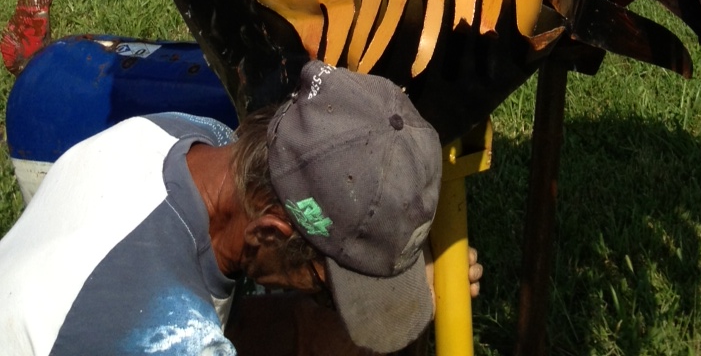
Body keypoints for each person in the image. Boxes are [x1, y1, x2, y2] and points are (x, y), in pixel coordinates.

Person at [0, 60, 477, 355]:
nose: (330, 300)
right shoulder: (167, 339)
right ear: (268, 234)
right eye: (328, 289)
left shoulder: (188, 137)